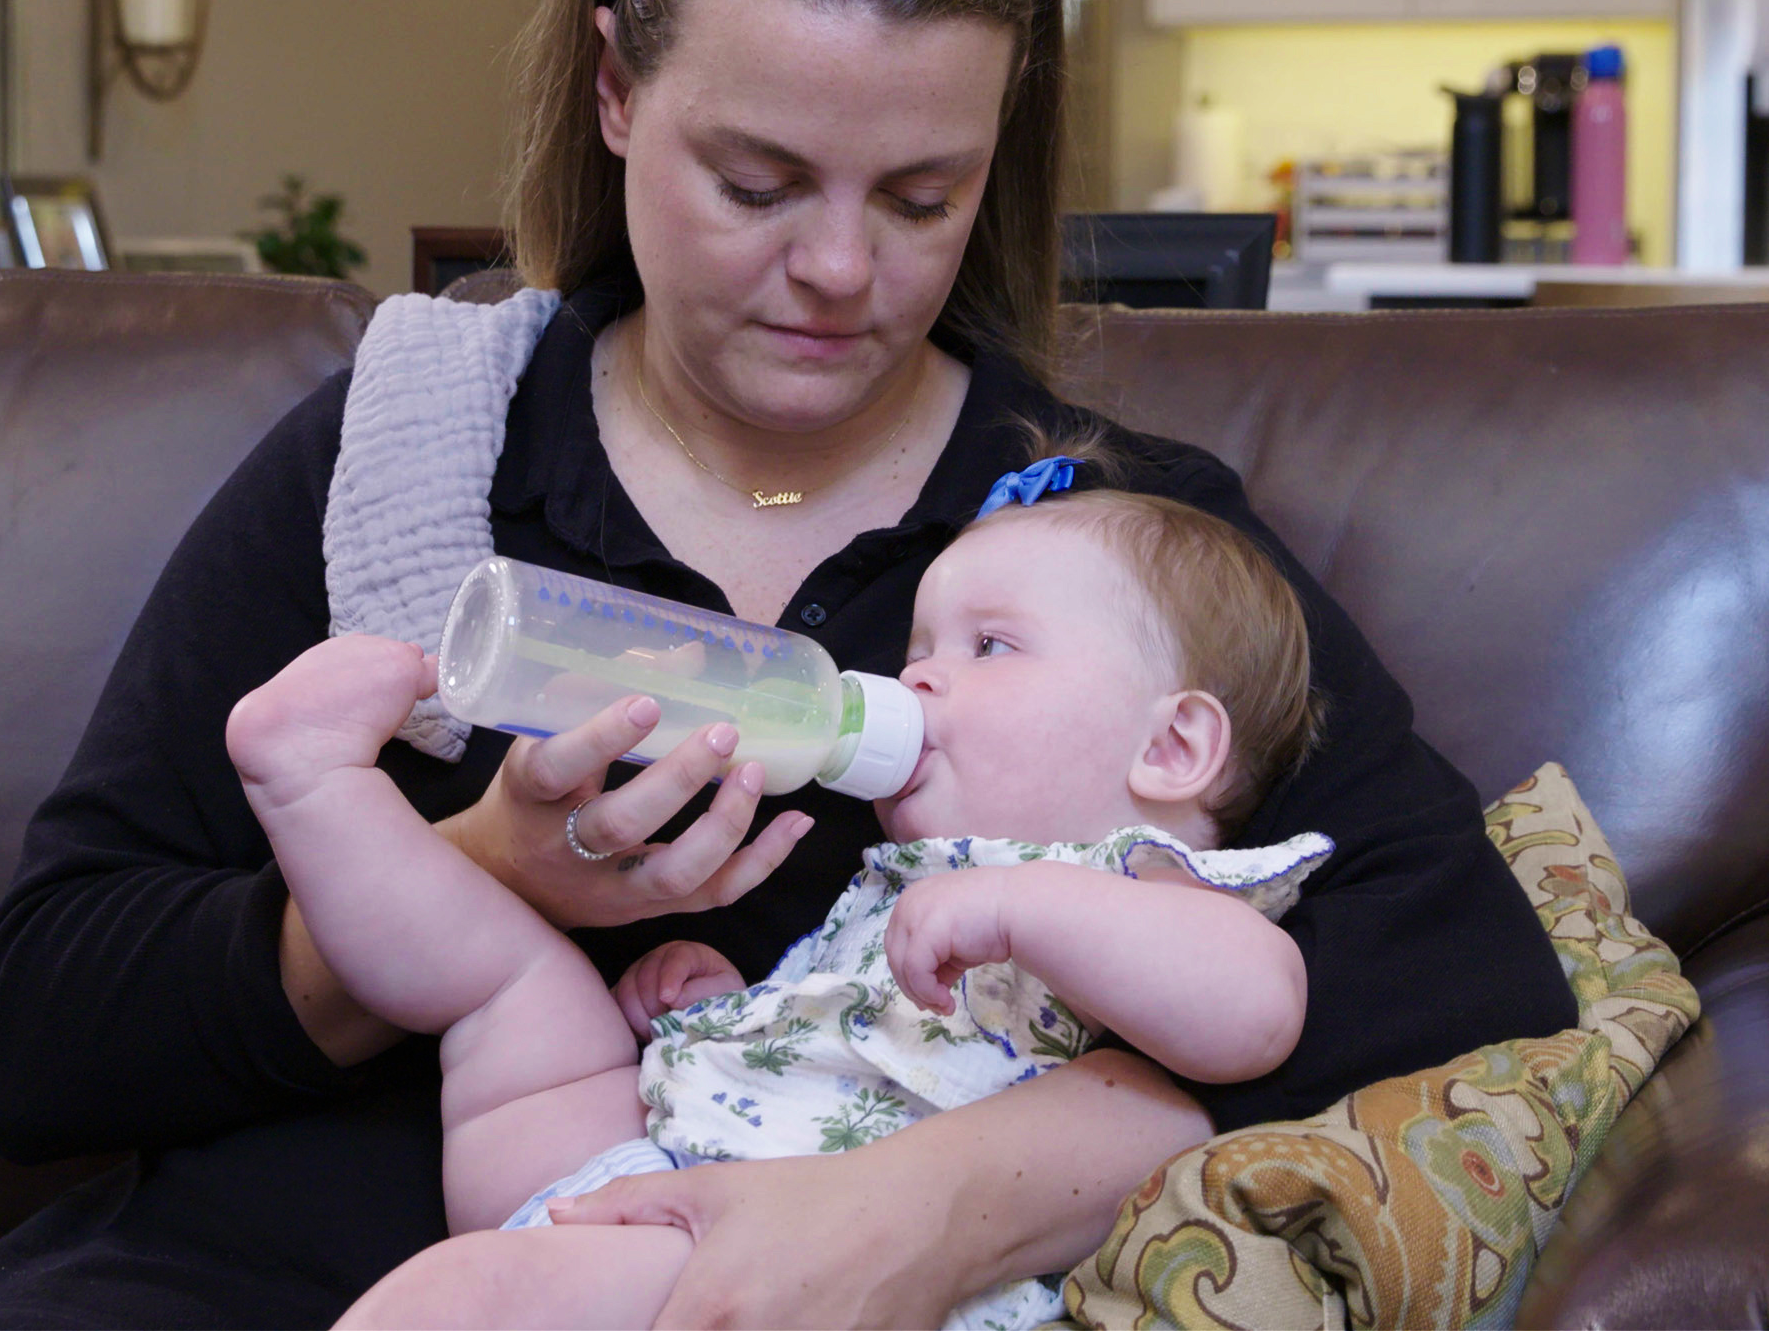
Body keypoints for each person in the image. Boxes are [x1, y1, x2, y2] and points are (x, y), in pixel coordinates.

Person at [0, 0, 1578, 1327]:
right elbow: (41, 1032)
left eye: (922, 197)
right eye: (758, 184)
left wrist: (945, 1200)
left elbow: (1463, 963)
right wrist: (476, 876)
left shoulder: (1100, 546)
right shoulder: (415, 457)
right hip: (286, 1267)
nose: (841, 270)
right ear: (616, 94)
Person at [235, 465, 1336, 1331]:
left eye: (989, 646)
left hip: (782, 1267)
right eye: (919, 647)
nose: (916, 678)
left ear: (1173, 746)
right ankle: (319, 789)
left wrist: (1024, 909)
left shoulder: (1136, 881)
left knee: (465, 1299)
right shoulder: (913, 870)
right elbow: (852, 1031)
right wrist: (728, 1007)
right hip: (635, 1174)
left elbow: (1255, 1013)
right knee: (512, 978)